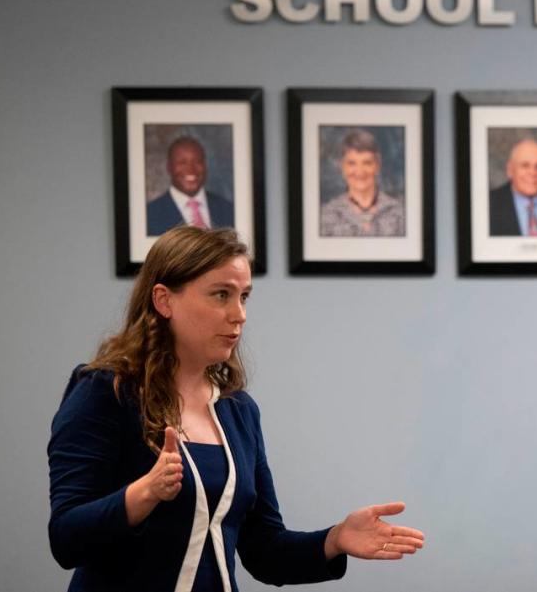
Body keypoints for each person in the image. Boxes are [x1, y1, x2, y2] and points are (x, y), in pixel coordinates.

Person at [48, 226, 425, 592]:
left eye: (244, 296)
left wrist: (335, 539)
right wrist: (144, 493)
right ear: (164, 300)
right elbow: (66, 538)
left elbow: (264, 551)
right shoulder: (105, 392)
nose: (239, 314)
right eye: (220, 295)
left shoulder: (238, 411)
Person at [320, 129, 405, 237]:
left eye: (367, 163)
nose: (360, 171)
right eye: (352, 163)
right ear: (342, 166)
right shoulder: (326, 216)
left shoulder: (399, 213)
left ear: (377, 165)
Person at [147, 136, 235, 236]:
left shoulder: (229, 209)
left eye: (197, 161)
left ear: (205, 165)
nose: (191, 169)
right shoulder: (150, 215)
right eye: (182, 162)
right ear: (169, 167)